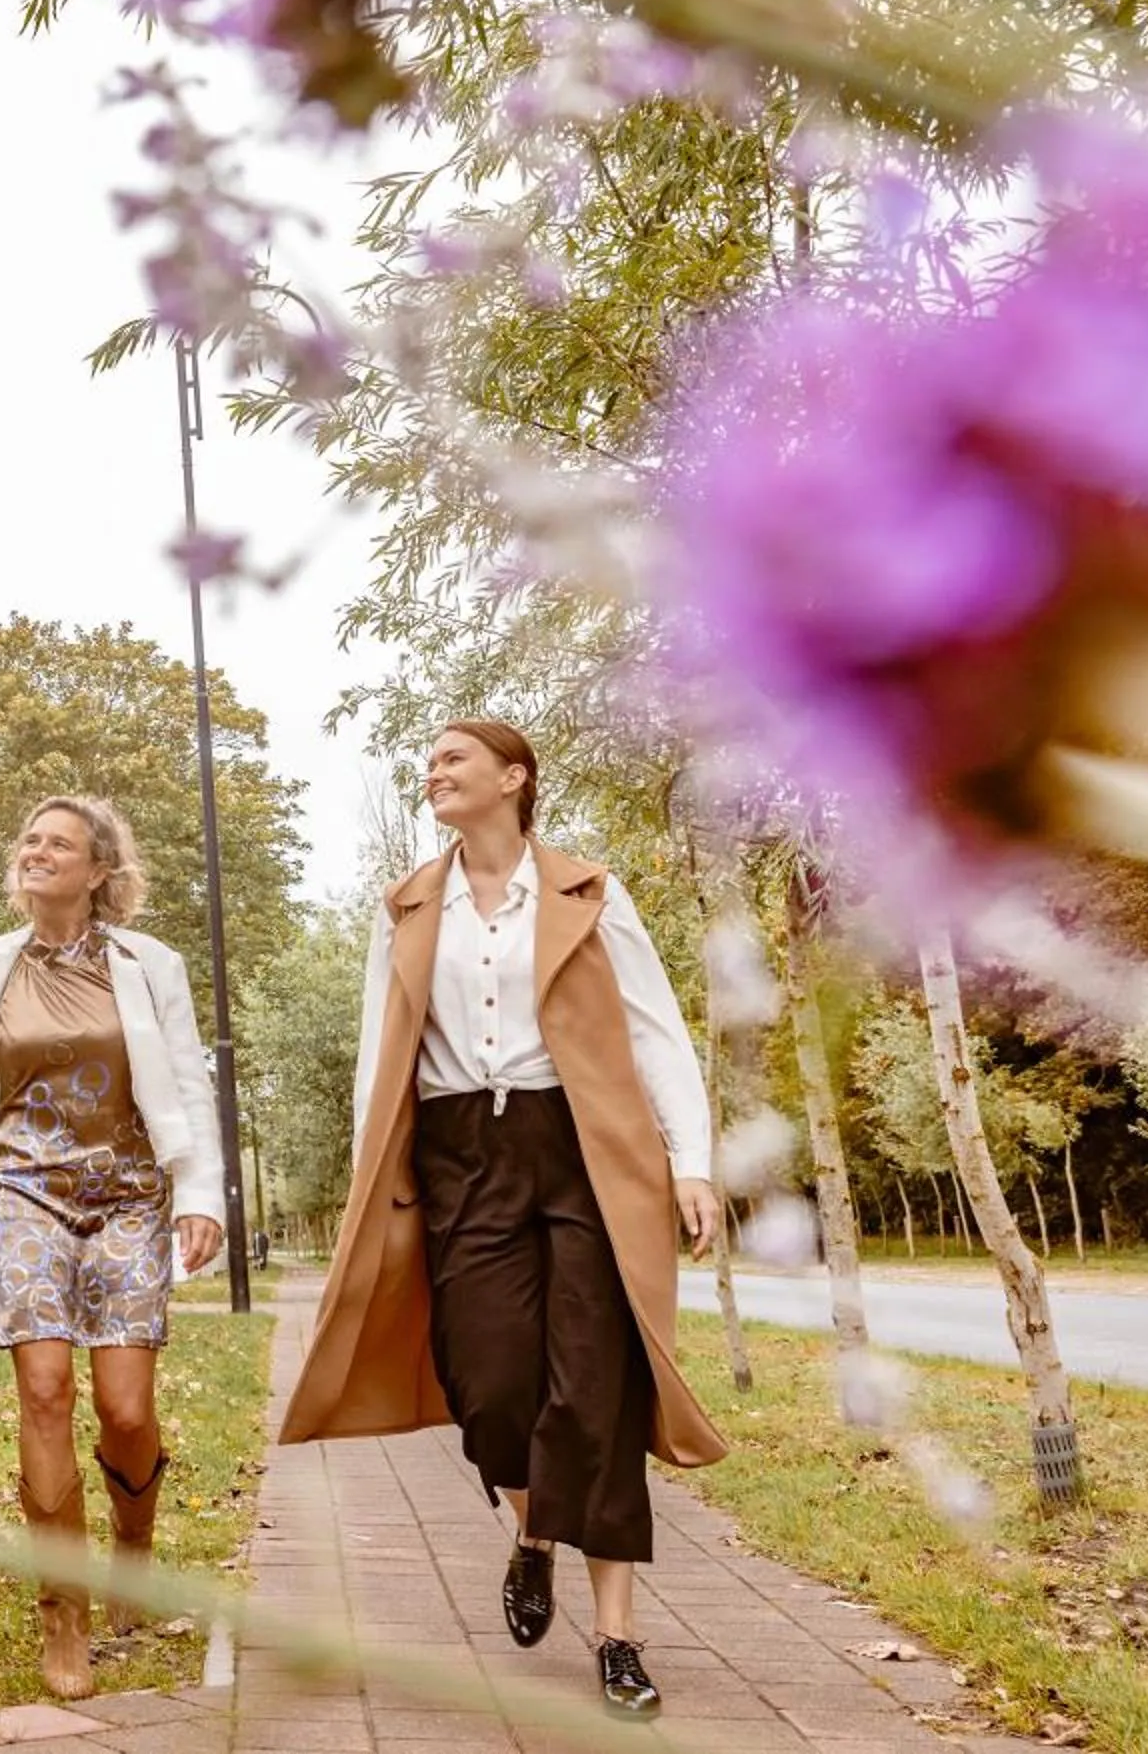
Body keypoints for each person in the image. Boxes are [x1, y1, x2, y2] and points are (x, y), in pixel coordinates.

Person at [276, 720, 726, 1722]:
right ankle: (532, 1532)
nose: (433, 772)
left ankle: (618, 1637)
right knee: (488, 1387)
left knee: (595, 1392)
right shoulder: (406, 905)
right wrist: (372, 1174)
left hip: (579, 1152)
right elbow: (376, 1054)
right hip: (456, 1157)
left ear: (513, 778)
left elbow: (658, 1032)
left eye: (453, 759)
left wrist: (691, 1163)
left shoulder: (588, 893)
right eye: (428, 762)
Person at [0, 795, 227, 1701]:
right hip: (21, 1189)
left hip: (130, 1195)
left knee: (123, 1408)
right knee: (42, 1390)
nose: (36, 852)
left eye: (58, 844)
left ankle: (134, 1544)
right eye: (29, 840)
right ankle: (62, 1616)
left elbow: (188, 1079)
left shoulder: (149, 966)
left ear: (99, 871)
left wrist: (201, 1196)